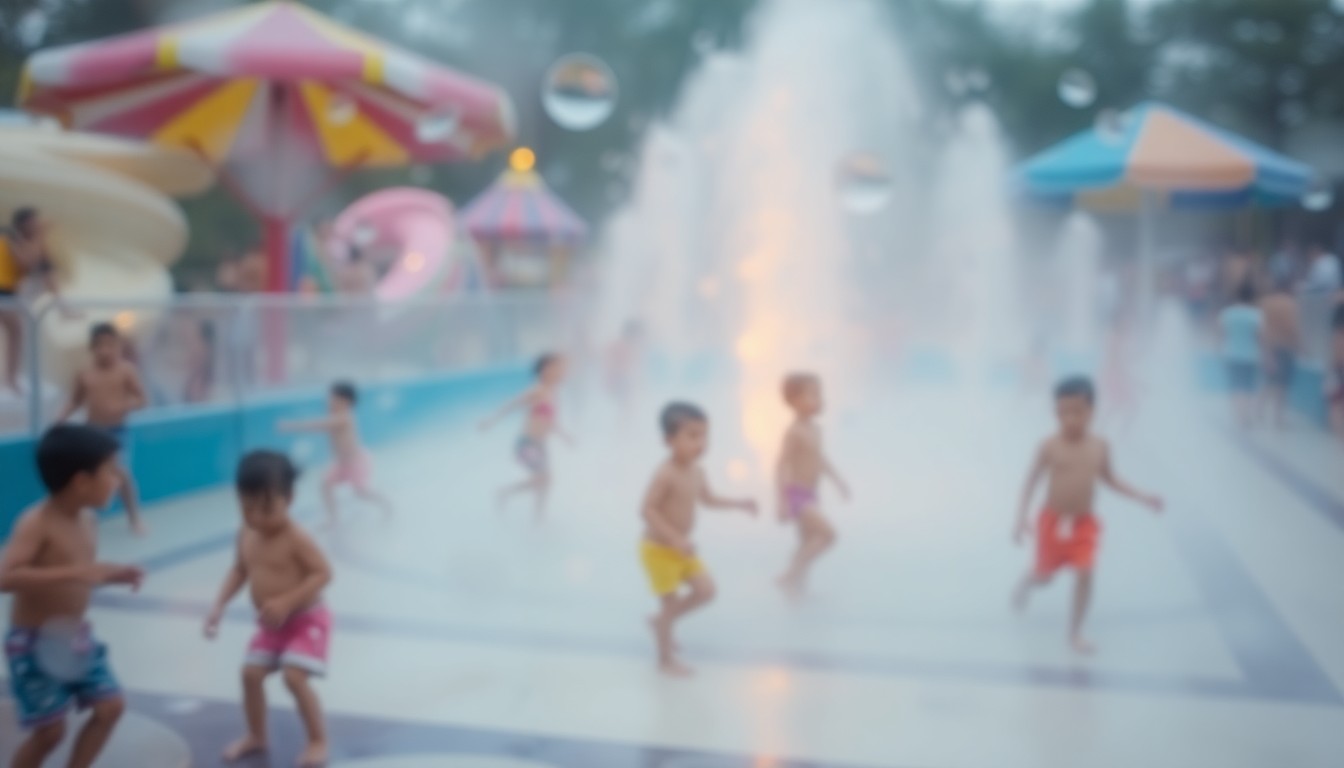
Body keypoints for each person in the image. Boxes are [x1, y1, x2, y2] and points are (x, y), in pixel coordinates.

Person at [0, 425, 145, 768]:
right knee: (50, 733)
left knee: (111, 707)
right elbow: (5, 577)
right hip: (33, 644)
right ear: (81, 481)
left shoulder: (89, 521)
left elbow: (80, 579)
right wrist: (78, 573)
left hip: (76, 637)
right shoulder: (36, 523)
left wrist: (110, 576)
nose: (118, 479)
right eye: (111, 471)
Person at [1012, 377, 1163, 655]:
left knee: (1085, 573)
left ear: (1092, 411)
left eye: (1078, 412)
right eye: (1063, 412)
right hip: (1052, 523)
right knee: (1045, 577)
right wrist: (1020, 518)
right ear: (1055, 412)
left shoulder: (1099, 446)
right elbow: (1030, 482)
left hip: (1084, 524)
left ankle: (1075, 632)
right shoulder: (1049, 446)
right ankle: (1027, 582)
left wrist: (1143, 497)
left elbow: (1111, 479)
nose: (1070, 420)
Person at [204, 451, 332, 768]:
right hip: (271, 624)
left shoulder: (296, 537)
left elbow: (324, 573)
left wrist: (289, 600)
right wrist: (218, 605)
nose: (257, 518)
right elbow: (239, 570)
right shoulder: (246, 533)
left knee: (293, 676)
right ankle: (257, 735)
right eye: (247, 509)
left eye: (266, 509)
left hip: (306, 621)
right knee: (250, 674)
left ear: (289, 499)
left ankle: (317, 739)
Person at [641, 402, 758, 676]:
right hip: (658, 549)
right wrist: (673, 538)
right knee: (669, 605)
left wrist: (739, 503)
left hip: (682, 548)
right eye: (692, 436)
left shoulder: (697, 471)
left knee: (706, 591)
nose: (701, 443)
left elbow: (708, 499)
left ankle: (661, 622)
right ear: (669, 441)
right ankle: (665, 660)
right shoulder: (665, 474)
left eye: (704, 435)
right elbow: (647, 509)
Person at [54, 323, 148, 535]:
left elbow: (143, 400)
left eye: (111, 345)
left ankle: (134, 518)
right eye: (100, 345)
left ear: (119, 346)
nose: (105, 350)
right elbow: (75, 401)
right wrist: (60, 418)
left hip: (117, 432)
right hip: (92, 433)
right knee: (85, 477)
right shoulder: (85, 373)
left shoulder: (126, 371)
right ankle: (84, 521)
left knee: (121, 473)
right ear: (92, 347)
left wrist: (124, 407)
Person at [774, 373, 849, 599]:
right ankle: (790, 574)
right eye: (813, 395)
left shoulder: (816, 430)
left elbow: (819, 459)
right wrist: (782, 500)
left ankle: (797, 592)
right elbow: (780, 465)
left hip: (811, 493)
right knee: (829, 535)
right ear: (794, 401)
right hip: (796, 494)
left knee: (806, 542)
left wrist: (838, 481)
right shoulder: (794, 431)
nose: (819, 400)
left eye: (820, 395)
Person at [279, 381, 392, 527]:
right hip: (340, 463)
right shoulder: (335, 415)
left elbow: (319, 425)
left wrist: (292, 426)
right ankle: (332, 517)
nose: (329, 402)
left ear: (346, 402)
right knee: (325, 485)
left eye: (333, 399)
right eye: (329, 398)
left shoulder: (344, 418)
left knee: (361, 492)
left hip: (355, 463)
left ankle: (385, 504)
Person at [479, 353, 571, 520]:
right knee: (544, 480)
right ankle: (505, 493)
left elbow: (550, 421)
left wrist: (564, 436)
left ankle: (537, 519)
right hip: (527, 444)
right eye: (557, 367)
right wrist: (490, 421)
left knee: (545, 484)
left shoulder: (552, 393)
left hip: (540, 445)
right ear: (545, 370)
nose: (562, 371)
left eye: (561, 368)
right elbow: (512, 404)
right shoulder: (537, 390)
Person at [1217, 282, 1265, 427]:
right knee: (1249, 387)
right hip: (1251, 355)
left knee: (1235, 386)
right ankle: (1246, 415)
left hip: (1231, 354)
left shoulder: (1227, 313)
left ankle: (1238, 415)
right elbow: (1260, 337)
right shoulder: (1255, 315)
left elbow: (1222, 335)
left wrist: (1219, 352)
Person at [1259, 275, 1301, 429]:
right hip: (1285, 346)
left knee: (1269, 381)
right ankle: (1278, 417)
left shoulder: (1266, 302)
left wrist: (1264, 350)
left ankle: (1259, 410)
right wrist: (1300, 345)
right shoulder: (1289, 303)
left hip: (1270, 345)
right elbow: (1292, 326)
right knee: (1282, 384)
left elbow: (1262, 327)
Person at [1330, 304, 1344, 440]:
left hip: (1338, 369)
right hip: (1339, 370)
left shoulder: (1338, 336)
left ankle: (1338, 433)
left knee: (1336, 402)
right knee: (1337, 402)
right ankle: (1339, 434)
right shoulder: (1339, 337)